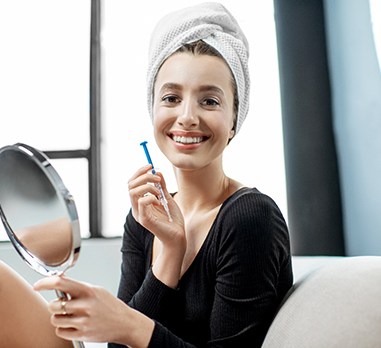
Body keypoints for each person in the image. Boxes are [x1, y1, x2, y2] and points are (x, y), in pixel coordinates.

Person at [0, 2, 293, 347]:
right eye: (170, 97)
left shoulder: (250, 218)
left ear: (234, 119)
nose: (187, 116)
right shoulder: (144, 218)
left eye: (210, 101)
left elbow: (128, 331)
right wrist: (169, 252)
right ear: (152, 108)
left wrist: (125, 321)